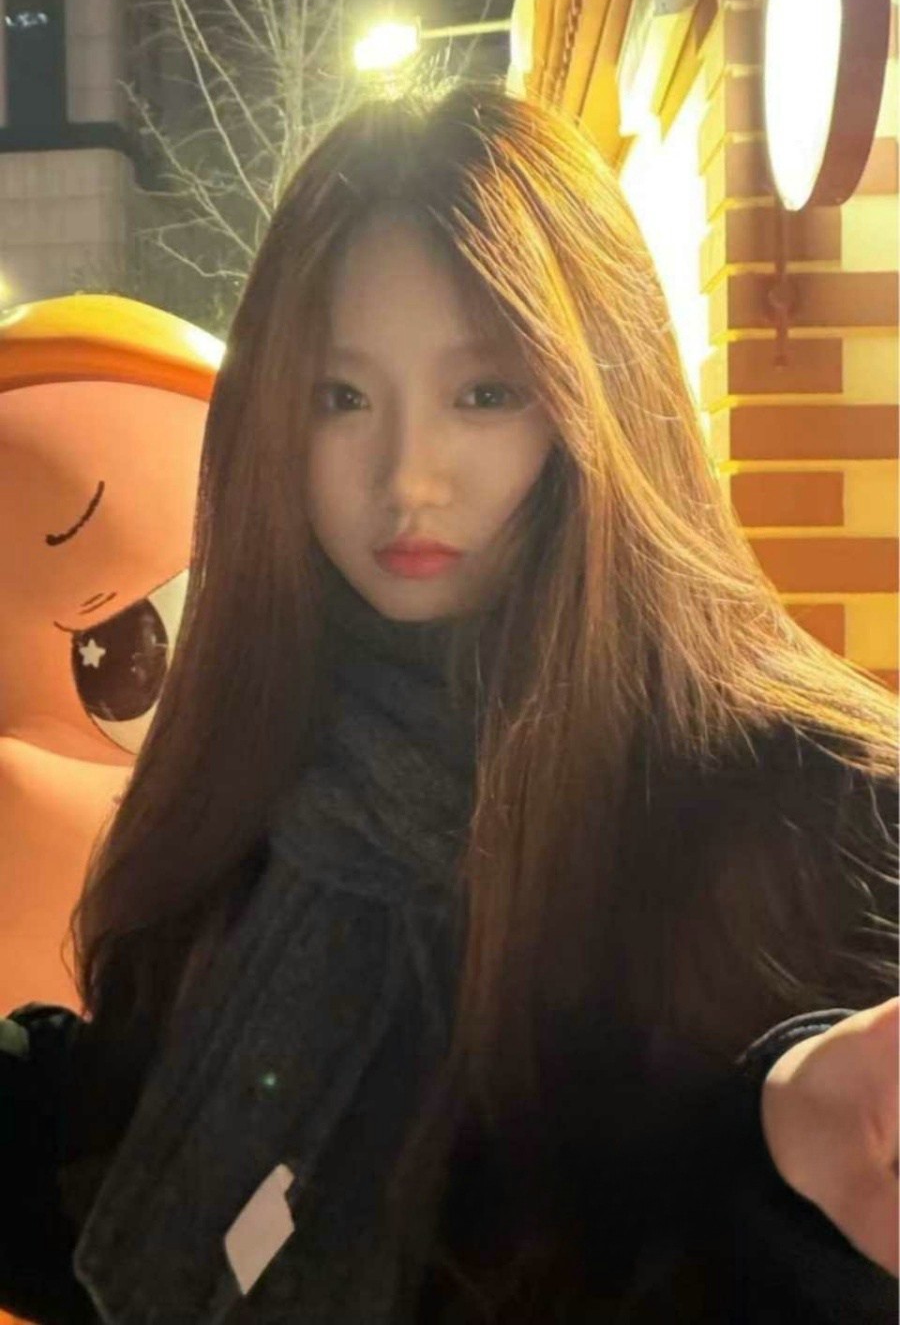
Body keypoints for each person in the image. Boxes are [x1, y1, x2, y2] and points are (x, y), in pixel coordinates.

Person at [0, 82, 896, 1325]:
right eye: (340, 398)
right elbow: (141, 1160)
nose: (407, 477)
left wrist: (781, 1169)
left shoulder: (808, 807)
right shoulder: (267, 755)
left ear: (597, 398)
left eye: (484, 393)